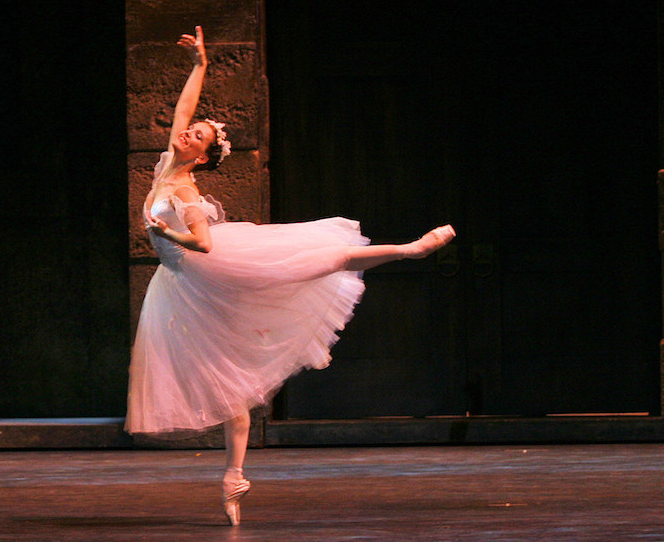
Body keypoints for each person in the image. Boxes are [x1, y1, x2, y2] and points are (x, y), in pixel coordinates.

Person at [124, 26, 455, 526]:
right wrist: (200, 65)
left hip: (214, 270)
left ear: (202, 156)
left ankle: (410, 249)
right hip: (180, 289)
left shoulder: (187, 191)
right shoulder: (171, 159)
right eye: (193, 131)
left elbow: (205, 243)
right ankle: (234, 478)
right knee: (229, 387)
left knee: (327, 257)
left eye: (198, 136)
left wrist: (164, 235)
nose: (188, 132)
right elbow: (182, 110)